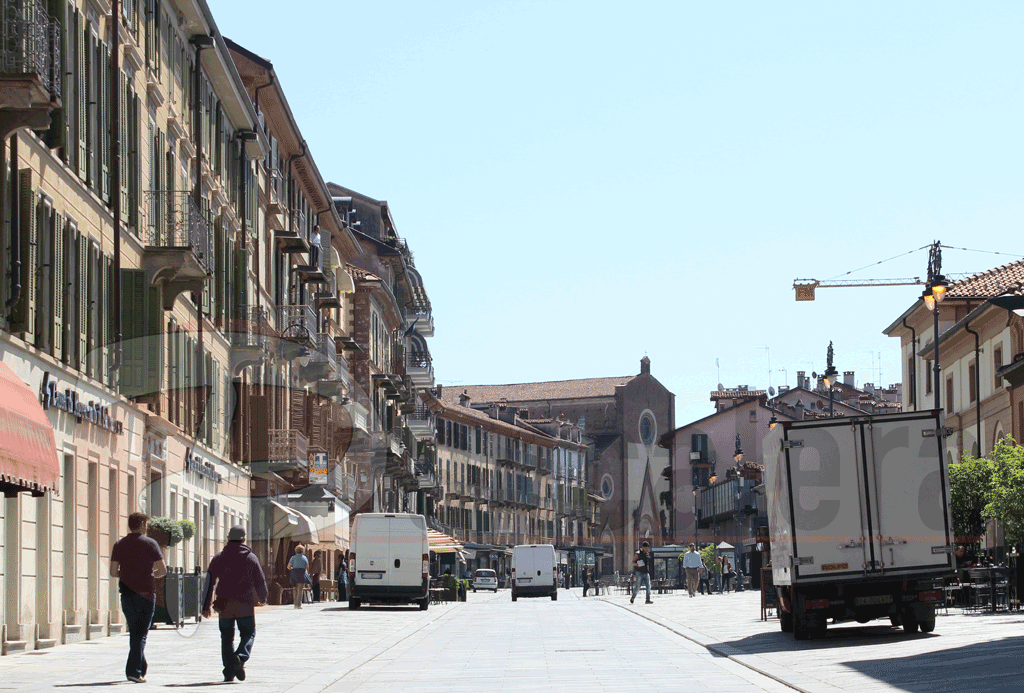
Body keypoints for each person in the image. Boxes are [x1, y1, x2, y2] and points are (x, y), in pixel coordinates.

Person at [201, 526, 269, 683]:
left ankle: (229, 672)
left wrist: (205, 606)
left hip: (224, 604)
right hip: (244, 603)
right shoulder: (251, 558)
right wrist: (263, 596)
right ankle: (241, 656)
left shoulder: (218, 558)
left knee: (226, 638)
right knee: (248, 633)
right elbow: (259, 579)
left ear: (227, 537)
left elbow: (209, 582)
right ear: (244, 539)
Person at [110, 512, 167, 684]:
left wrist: (127, 575)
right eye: (146, 525)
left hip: (127, 594)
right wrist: (150, 574)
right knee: (140, 633)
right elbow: (162, 571)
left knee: (135, 632)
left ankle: (140, 667)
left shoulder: (119, 544)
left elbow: (113, 572)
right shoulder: (151, 543)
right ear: (142, 524)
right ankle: (134, 671)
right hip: (146, 594)